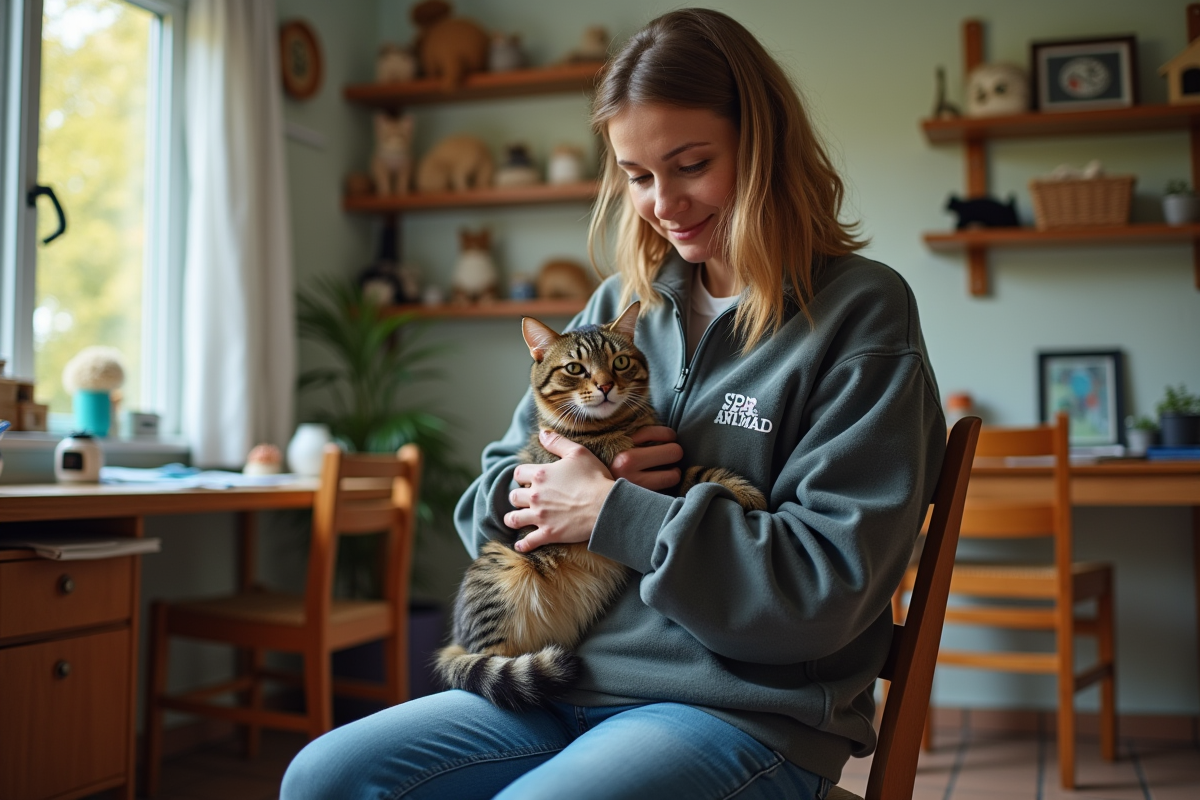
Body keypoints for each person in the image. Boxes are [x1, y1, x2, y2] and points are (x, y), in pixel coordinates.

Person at [281, 8, 945, 799]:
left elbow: (825, 587)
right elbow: (484, 502)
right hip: (567, 679)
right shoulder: (618, 306)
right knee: (322, 777)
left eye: (691, 164)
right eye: (637, 176)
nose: (663, 203)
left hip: (740, 709)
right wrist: (554, 489)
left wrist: (614, 513)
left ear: (762, 145)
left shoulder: (860, 314)